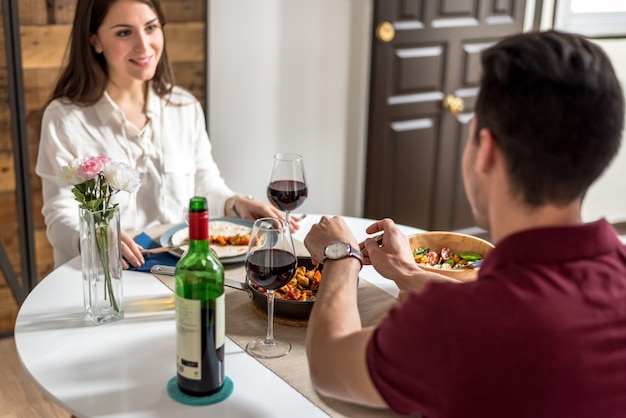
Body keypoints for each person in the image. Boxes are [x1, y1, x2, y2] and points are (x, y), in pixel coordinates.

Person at [303, 30, 626, 417]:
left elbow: (328, 365)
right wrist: (407, 272)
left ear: (486, 150)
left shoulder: (455, 326)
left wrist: (341, 255)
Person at [36, 0, 296, 269]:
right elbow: (59, 215)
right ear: (95, 41)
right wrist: (93, 237)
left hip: (180, 271)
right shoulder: (65, 119)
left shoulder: (184, 107)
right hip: (107, 279)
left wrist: (236, 204)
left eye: (151, 27)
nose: (144, 45)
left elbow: (204, 185)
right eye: (124, 32)